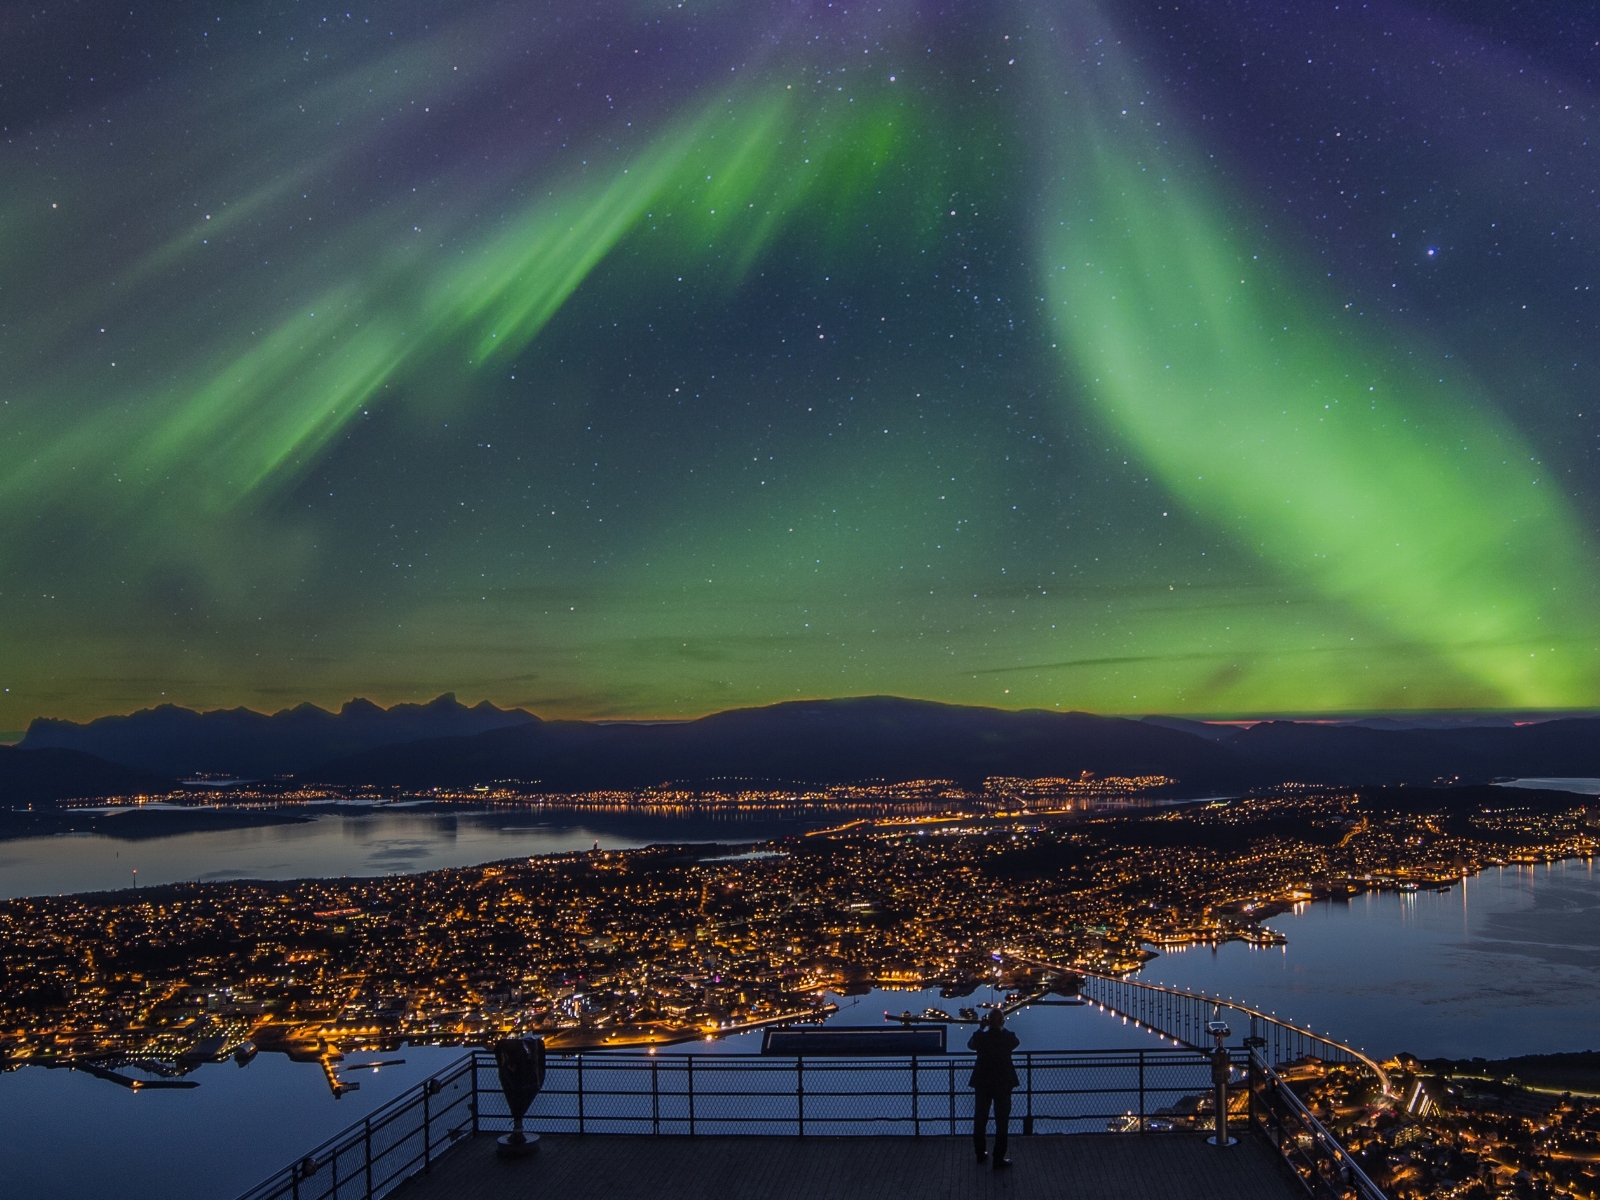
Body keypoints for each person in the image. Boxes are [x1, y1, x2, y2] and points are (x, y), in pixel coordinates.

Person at [968, 1009, 1019, 1168]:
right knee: (1002, 1122)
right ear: (1002, 1022)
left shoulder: (981, 1038)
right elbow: (1015, 1042)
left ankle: (980, 1153)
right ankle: (998, 1157)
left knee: (980, 1119)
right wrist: (1001, 1026)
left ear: (988, 1022)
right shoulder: (1007, 1038)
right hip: (1003, 1083)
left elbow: (971, 1044)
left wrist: (981, 1028)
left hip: (983, 1082)